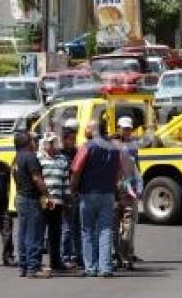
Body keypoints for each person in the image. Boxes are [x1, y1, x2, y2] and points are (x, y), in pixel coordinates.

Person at [70, 120, 120, 278]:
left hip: (88, 192)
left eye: (88, 127)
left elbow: (76, 170)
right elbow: (118, 171)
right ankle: (105, 267)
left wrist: (73, 188)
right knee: (105, 230)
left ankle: (91, 267)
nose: (86, 129)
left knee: (87, 230)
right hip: (107, 192)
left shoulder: (87, 146)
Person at [12, 131, 52, 278]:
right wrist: (47, 195)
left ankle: (23, 265)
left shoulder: (16, 158)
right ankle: (33, 267)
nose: (35, 143)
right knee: (34, 234)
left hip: (21, 197)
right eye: (33, 140)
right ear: (27, 142)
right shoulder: (30, 157)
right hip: (30, 198)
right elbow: (36, 178)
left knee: (23, 233)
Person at [113, 116, 142, 270]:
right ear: (118, 128)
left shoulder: (133, 146)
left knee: (129, 225)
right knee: (114, 226)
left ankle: (126, 255)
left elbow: (137, 168)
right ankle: (117, 255)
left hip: (129, 191)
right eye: (124, 128)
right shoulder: (112, 145)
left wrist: (138, 188)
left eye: (129, 129)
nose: (126, 131)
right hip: (114, 190)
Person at [37, 132, 68, 271]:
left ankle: (55, 261)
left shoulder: (62, 159)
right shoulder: (38, 158)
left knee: (55, 232)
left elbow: (66, 180)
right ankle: (37, 261)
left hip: (58, 201)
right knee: (40, 231)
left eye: (54, 142)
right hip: (44, 201)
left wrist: (67, 198)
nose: (52, 144)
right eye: (49, 142)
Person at [59, 119, 81, 268]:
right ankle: (65, 256)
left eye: (74, 139)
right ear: (64, 140)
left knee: (78, 227)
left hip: (78, 194)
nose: (73, 142)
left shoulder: (78, 152)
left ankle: (78, 255)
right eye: (70, 139)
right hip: (65, 196)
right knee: (66, 228)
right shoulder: (60, 155)